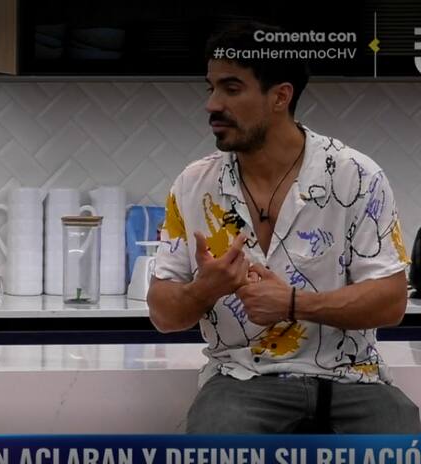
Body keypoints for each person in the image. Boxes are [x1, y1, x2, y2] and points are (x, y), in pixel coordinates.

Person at [149, 22, 420, 434]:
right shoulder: (194, 185)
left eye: (231, 88)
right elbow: (162, 313)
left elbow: (391, 301)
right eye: (211, 88)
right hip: (241, 379)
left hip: (354, 377)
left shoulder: (356, 176)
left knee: (399, 449)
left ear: (280, 96)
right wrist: (204, 289)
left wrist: (293, 304)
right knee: (216, 444)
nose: (212, 104)